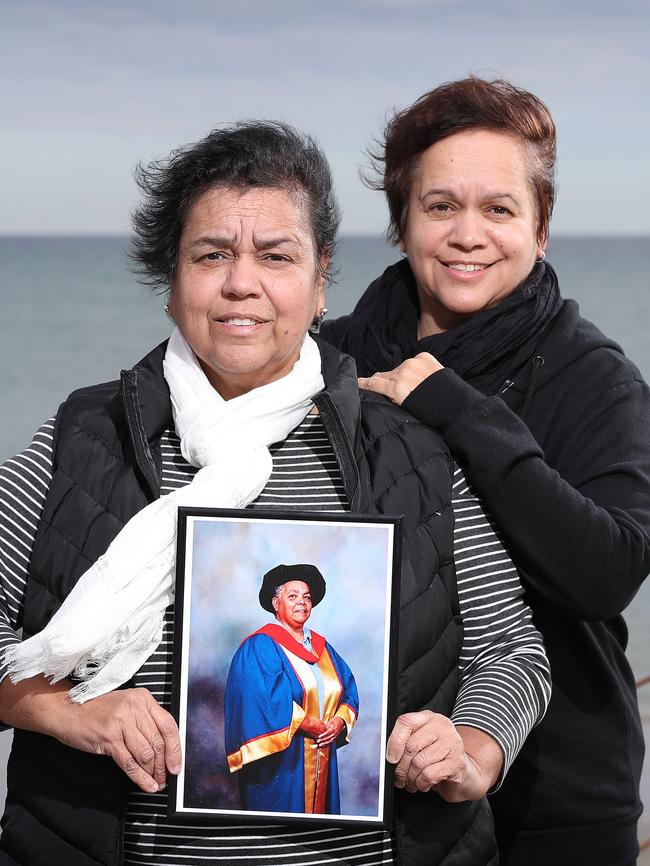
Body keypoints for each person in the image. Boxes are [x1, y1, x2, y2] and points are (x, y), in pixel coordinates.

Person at [0, 121, 550, 866]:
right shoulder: (81, 439)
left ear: (321, 280)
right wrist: (68, 712)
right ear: (172, 279)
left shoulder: (408, 452)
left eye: (276, 256)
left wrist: (470, 750)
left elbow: (511, 650)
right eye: (211, 254)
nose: (241, 282)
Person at [321, 77, 650, 866]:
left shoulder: (594, 376)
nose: (469, 233)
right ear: (402, 222)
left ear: (541, 231)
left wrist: (454, 406)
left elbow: (605, 573)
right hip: (364, 786)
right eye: (441, 206)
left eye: (499, 209)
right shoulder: (329, 358)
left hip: (555, 795)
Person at [224, 563, 359, 814]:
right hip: (282, 765)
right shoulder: (260, 646)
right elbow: (261, 701)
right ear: (276, 603)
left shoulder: (323, 648)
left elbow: (348, 688)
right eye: (293, 596)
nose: (302, 602)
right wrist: (306, 723)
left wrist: (339, 721)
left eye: (307, 597)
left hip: (322, 756)